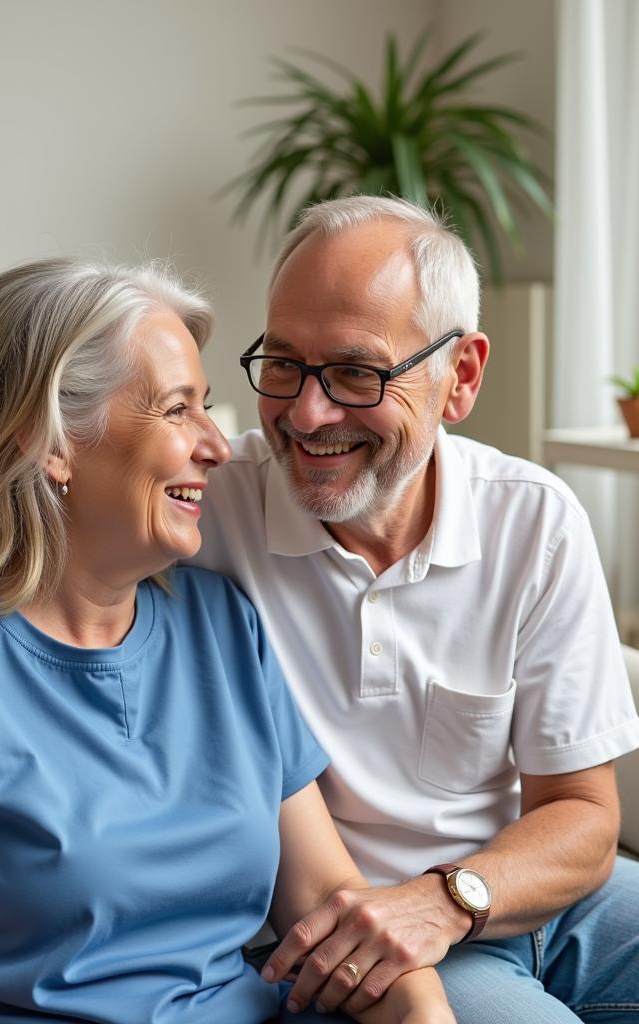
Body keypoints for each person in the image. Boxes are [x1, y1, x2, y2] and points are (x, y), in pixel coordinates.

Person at [0, 257, 452, 1022]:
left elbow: (329, 903)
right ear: (50, 445)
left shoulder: (221, 623)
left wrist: (420, 1007)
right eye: (179, 410)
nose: (217, 443)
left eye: (207, 407)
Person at [191, 195, 639, 1022]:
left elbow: (581, 816)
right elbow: (14, 555)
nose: (306, 413)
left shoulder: (532, 519)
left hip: (530, 899)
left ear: (459, 376)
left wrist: (448, 899)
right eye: (283, 364)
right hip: (349, 942)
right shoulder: (204, 509)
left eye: (358, 373)